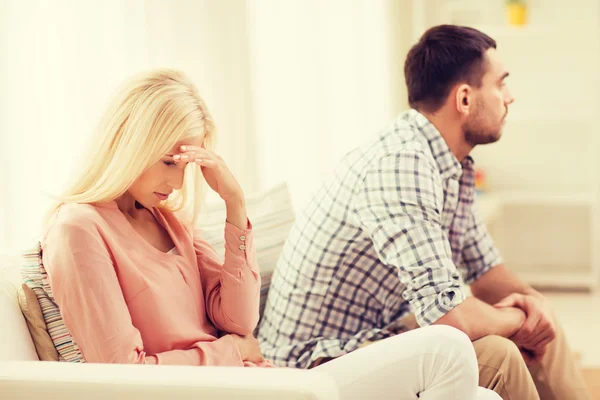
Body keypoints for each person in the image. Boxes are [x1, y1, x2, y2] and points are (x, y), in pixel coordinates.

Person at [41, 68, 499, 399]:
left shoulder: (167, 220)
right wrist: (232, 353)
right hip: (233, 388)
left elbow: (239, 320)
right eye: (168, 163)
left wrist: (236, 208)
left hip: (263, 379)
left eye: (187, 167)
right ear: (132, 143)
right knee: (445, 347)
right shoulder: (80, 229)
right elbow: (122, 375)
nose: (179, 183)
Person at [258, 25, 591, 400]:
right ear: (464, 99)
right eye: (500, 85)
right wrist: (520, 319)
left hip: (375, 335)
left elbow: (484, 269)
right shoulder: (402, 163)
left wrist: (535, 305)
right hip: (315, 362)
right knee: (499, 355)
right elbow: (448, 316)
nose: (509, 98)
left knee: (542, 319)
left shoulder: (450, 162)